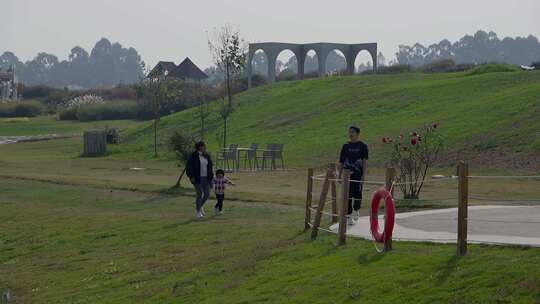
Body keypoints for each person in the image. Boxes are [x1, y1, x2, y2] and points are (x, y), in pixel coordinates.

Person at [338, 125, 369, 225]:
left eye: (352, 132)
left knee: (358, 195)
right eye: (349, 132)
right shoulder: (345, 146)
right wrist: (339, 175)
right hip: (347, 175)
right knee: (347, 195)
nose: (350, 134)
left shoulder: (363, 146)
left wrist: (363, 175)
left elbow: (364, 162)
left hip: (358, 174)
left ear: (358, 134)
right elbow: (341, 162)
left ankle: (356, 210)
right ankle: (349, 216)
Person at [186, 141, 214, 218]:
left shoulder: (207, 156)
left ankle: (200, 206)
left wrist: (211, 177)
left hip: (206, 178)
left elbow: (210, 167)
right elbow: (189, 167)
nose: (206, 148)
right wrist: (191, 177)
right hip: (197, 178)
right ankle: (198, 212)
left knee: (207, 194)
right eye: (204, 146)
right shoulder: (193, 156)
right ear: (200, 147)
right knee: (199, 194)